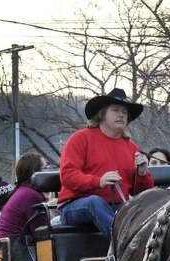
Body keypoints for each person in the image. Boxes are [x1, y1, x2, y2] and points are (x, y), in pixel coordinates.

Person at [58, 88, 153, 237]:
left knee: (139, 210)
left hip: (115, 207)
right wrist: (98, 181)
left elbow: (141, 193)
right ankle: (124, 244)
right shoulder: (80, 138)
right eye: (115, 110)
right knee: (95, 202)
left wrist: (142, 173)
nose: (121, 114)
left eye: (125, 112)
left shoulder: (131, 147)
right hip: (76, 205)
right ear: (102, 114)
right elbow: (67, 176)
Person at [0, 152, 50, 261]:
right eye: (45, 168)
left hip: (8, 249)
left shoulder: (23, 191)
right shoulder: (31, 195)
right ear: (34, 173)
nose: (48, 172)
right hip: (19, 251)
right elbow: (41, 231)